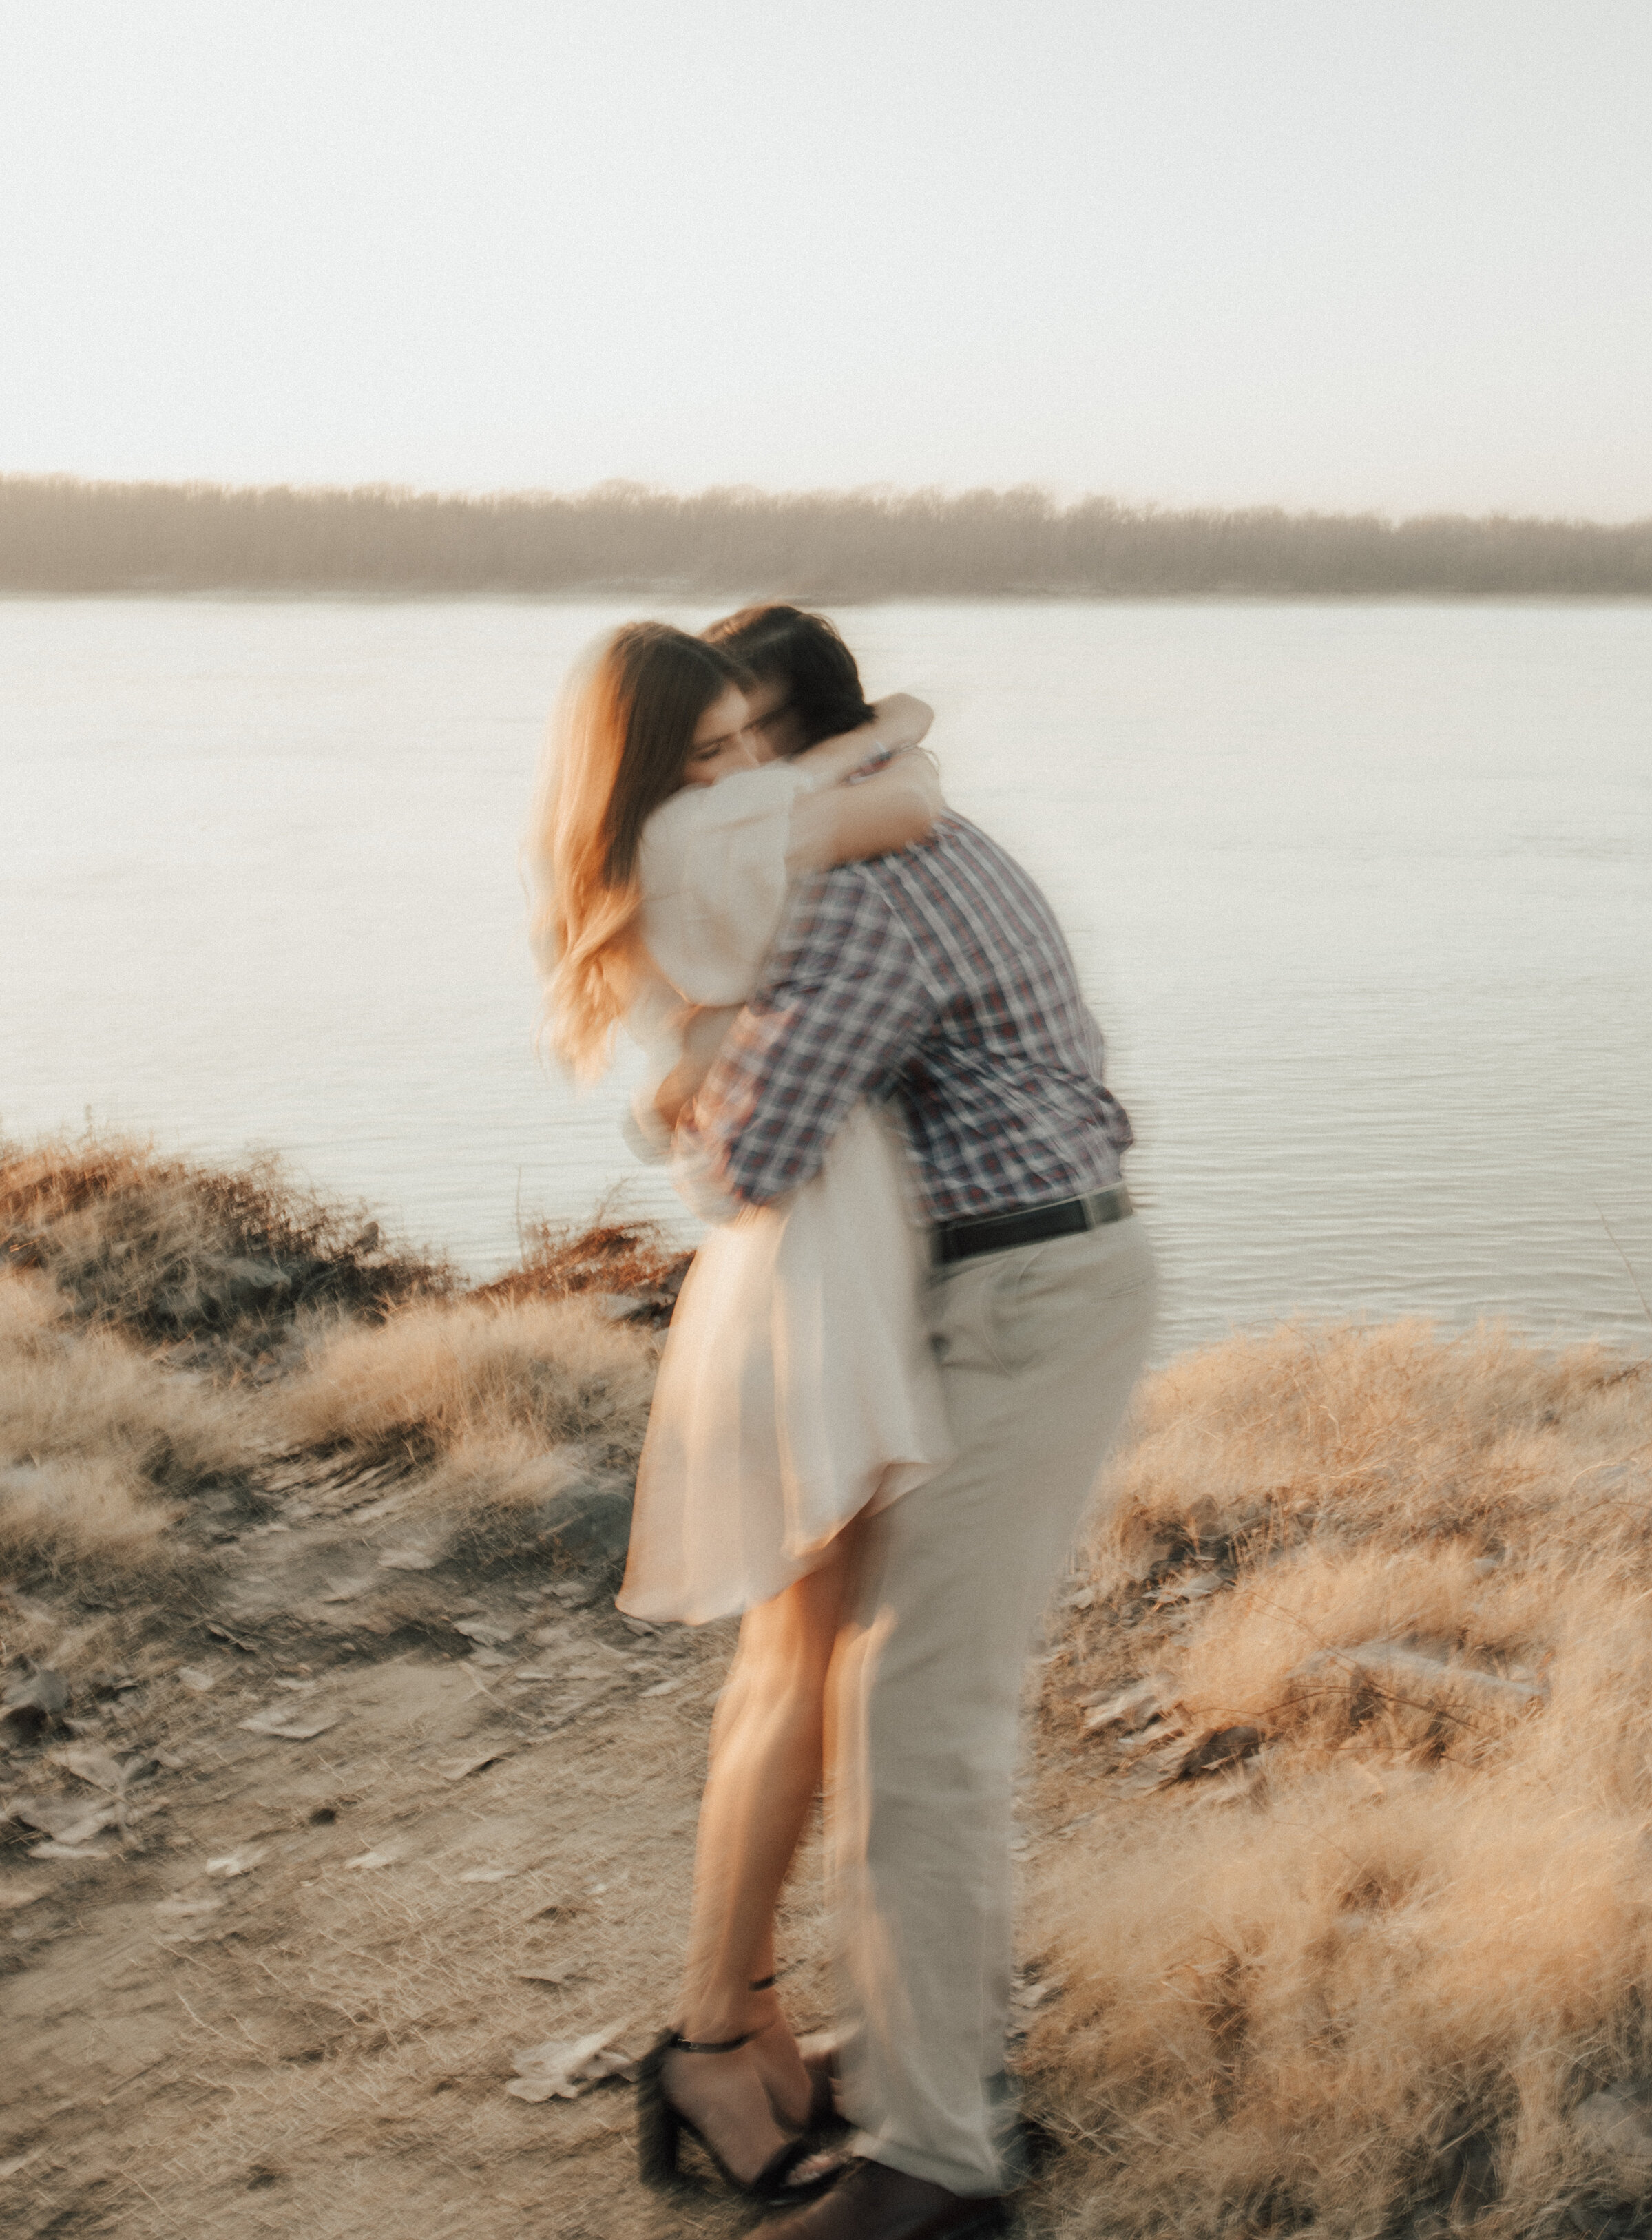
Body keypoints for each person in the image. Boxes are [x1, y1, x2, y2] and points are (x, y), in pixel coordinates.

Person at [667, 608, 1156, 2240]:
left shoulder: (859, 899)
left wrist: (690, 1061)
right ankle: (872, 2076)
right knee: (872, 1693)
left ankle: (935, 2163)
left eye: (731, 760)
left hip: (1014, 1306)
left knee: (915, 1729)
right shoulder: (904, 836)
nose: (719, 799)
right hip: (998, 1292)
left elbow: (746, 1158)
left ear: (795, 748)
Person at [528, 618, 950, 2210]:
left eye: (743, 739)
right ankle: (710, 2037)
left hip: (790, 1268)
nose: (737, 772)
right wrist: (864, 733)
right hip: (807, 1284)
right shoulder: (708, 837)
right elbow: (906, 798)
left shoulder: (666, 850)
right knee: (797, 1676)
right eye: (704, 750)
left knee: (796, 1669)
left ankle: (748, 2015)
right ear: (651, 773)